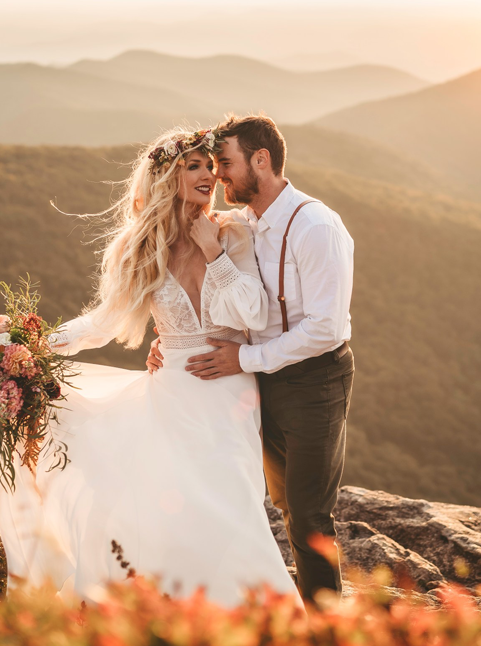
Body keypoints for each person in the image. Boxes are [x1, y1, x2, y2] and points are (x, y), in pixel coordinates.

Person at [0, 125, 301, 608]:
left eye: (210, 165)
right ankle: (173, 616)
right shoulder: (141, 248)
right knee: (168, 509)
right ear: (165, 180)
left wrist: (212, 250)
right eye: (192, 167)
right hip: (171, 394)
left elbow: (254, 313)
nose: (208, 175)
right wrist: (31, 347)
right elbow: (103, 321)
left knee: (231, 506)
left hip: (229, 394)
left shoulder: (233, 231)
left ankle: (259, 619)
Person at [147, 115, 356, 606]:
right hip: (260, 379)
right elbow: (215, 291)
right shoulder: (242, 224)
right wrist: (172, 338)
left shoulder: (316, 226)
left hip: (314, 378)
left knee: (308, 513)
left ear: (261, 161)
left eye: (225, 164)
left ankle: (327, 630)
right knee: (282, 503)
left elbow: (324, 329)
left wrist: (245, 358)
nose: (218, 177)